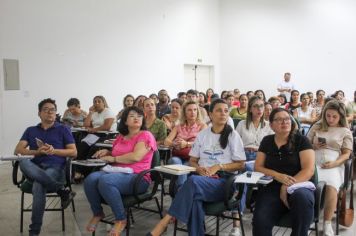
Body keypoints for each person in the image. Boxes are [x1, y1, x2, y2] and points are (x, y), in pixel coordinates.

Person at [148, 99, 246, 236]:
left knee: (191, 183)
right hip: (203, 179)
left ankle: (163, 223)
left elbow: (241, 164)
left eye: (225, 111)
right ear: (210, 115)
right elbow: (193, 161)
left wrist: (219, 166)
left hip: (224, 183)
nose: (223, 113)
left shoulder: (232, 135)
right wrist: (198, 168)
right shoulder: (203, 135)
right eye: (219, 110)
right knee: (194, 201)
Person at [84, 106, 157, 236]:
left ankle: (121, 218)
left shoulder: (146, 135)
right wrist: (107, 152)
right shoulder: (121, 136)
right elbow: (117, 152)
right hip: (117, 171)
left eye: (139, 116)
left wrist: (113, 157)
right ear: (125, 121)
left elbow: (136, 157)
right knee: (90, 179)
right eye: (132, 116)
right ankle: (98, 213)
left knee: (106, 181)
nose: (136, 118)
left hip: (138, 177)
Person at [14, 98, 77, 236]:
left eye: (52, 110)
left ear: (56, 113)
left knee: (38, 185)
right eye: (46, 110)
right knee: (23, 161)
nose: (50, 112)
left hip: (55, 168)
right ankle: (61, 190)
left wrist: (54, 151)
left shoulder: (63, 129)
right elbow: (18, 150)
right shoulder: (30, 130)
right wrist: (37, 151)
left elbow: (73, 152)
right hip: (34, 168)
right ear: (39, 113)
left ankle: (34, 233)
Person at [252, 108, 315, 236]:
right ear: (271, 125)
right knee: (260, 220)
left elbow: (309, 170)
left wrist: (286, 185)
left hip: (299, 185)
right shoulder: (267, 141)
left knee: (302, 198)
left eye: (287, 119)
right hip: (272, 186)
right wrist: (278, 176)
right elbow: (258, 167)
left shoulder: (301, 140)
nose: (284, 122)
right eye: (279, 119)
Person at [307, 100, 353, 236]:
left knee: (331, 186)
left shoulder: (345, 131)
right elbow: (305, 144)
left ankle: (327, 223)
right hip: (314, 160)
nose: (330, 119)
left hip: (335, 163)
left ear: (341, 117)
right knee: (308, 184)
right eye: (328, 116)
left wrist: (334, 164)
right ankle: (309, 217)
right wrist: (313, 146)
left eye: (334, 116)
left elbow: (346, 154)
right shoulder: (317, 126)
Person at [164, 100, 207, 188]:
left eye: (195, 110)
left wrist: (187, 144)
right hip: (178, 156)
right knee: (175, 162)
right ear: (184, 112)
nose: (193, 112)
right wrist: (174, 144)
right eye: (189, 110)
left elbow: (204, 143)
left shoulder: (202, 126)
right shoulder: (178, 126)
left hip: (194, 159)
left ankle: (179, 189)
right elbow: (166, 141)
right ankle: (182, 191)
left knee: (183, 167)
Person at [75, 96, 117, 179]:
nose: (96, 103)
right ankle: (78, 171)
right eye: (95, 102)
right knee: (82, 146)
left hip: (107, 135)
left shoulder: (108, 111)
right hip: (95, 134)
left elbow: (107, 126)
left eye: (99, 101)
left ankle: (86, 172)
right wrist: (90, 112)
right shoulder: (94, 113)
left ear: (103, 103)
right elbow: (86, 125)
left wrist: (94, 129)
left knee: (93, 149)